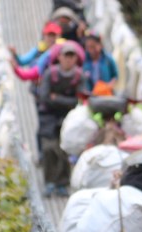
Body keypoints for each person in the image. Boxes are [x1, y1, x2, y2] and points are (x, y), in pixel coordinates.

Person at [37, 41, 84, 197]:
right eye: (66, 56)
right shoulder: (51, 74)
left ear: (76, 59)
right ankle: (50, 182)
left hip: (69, 118)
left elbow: (80, 100)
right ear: (60, 57)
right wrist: (67, 101)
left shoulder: (79, 76)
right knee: (49, 148)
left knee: (66, 149)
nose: (69, 60)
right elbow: (43, 97)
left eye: (72, 56)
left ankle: (63, 183)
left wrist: (56, 98)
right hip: (49, 116)